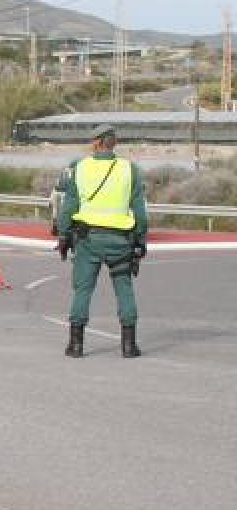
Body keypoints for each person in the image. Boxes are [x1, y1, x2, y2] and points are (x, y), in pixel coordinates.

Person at [55, 123, 148, 359]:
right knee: (124, 288)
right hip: (121, 240)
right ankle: (129, 346)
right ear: (113, 142)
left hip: (88, 240)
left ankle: (76, 346)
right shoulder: (131, 170)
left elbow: (69, 206)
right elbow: (140, 211)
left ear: (96, 143)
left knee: (83, 290)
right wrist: (140, 240)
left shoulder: (80, 168)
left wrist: (64, 235)